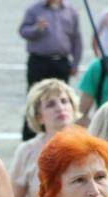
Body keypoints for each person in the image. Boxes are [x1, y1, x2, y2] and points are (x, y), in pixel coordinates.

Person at [12, 78, 78, 197]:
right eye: (51, 104)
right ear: (39, 117)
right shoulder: (26, 151)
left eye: (64, 101)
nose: (60, 107)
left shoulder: (90, 146)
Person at [19, 0, 82, 139]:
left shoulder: (71, 11)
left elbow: (76, 39)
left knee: (61, 98)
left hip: (61, 62)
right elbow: (23, 31)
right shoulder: (34, 9)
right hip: (39, 61)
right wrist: (37, 28)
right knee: (35, 99)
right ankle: (30, 136)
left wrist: (75, 63)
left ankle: (62, 134)